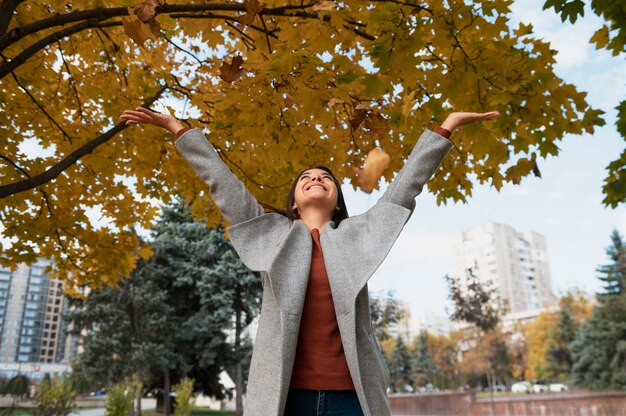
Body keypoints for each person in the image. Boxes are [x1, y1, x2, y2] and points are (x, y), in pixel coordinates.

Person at [120, 107, 499, 416]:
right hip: (286, 398)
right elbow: (223, 183)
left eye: (325, 178)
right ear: (293, 202)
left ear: (337, 201)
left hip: (353, 398)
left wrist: (445, 127)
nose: (316, 178)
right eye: (307, 177)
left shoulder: (357, 236)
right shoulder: (273, 236)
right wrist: (178, 128)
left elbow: (404, 190)